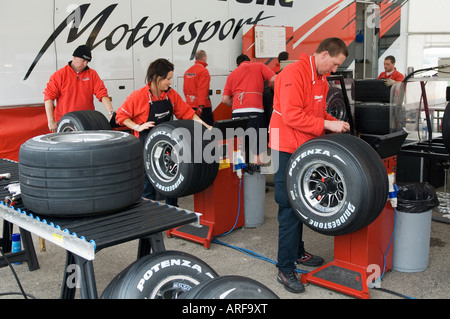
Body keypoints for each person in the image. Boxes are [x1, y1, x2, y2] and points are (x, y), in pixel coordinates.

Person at [268, 38, 350, 293]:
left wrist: (335, 121)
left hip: (303, 146)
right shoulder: (293, 74)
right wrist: (327, 126)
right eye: (335, 64)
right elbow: (292, 115)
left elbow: (316, 112)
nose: (335, 70)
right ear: (324, 54)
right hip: (284, 147)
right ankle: (285, 268)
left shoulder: (322, 80)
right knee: (289, 205)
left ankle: (298, 252)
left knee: (303, 202)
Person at [115, 58, 211, 206]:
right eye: (168, 79)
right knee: (148, 186)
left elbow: (188, 114)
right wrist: (137, 127)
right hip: (146, 147)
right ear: (157, 78)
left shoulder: (170, 95)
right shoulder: (138, 97)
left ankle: (173, 211)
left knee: (173, 183)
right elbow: (120, 117)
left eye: (170, 78)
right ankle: (148, 215)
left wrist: (206, 127)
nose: (170, 82)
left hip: (168, 147)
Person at [44, 45, 114, 132]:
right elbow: (48, 98)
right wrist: (51, 121)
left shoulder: (92, 74)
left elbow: (102, 94)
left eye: (87, 61)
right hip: (67, 123)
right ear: (74, 57)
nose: (85, 64)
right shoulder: (59, 75)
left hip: (87, 121)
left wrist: (111, 113)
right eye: (83, 60)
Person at [222, 54, 276, 165]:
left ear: (237, 65)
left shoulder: (232, 74)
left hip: (237, 114)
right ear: (249, 61)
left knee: (239, 148)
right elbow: (275, 79)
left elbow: (225, 99)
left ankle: (240, 176)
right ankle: (256, 176)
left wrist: (238, 104)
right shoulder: (259, 66)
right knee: (258, 147)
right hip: (256, 112)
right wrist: (273, 93)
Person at [183, 50, 214, 126]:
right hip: (202, 107)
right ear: (204, 58)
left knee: (192, 128)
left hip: (190, 105)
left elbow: (185, 90)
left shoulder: (187, 71)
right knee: (207, 128)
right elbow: (202, 90)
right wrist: (200, 106)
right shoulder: (203, 71)